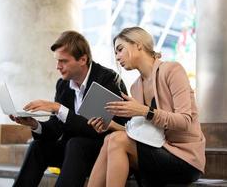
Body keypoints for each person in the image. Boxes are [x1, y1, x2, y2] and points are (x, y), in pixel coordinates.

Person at [87, 27, 206, 187]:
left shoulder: (172, 70)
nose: (117, 57)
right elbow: (144, 133)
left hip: (185, 158)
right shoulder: (136, 86)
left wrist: (143, 111)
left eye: (120, 50)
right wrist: (111, 125)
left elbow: (184, 121)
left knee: (116, 140)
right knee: (110, 138)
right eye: (115, 53)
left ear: (138, 44)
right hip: (157, 148)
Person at [10, 30, 128, 187]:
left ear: (83, 59)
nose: (58, 67)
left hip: (102, 151)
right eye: (57, 61)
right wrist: (34, 125)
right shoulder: (63, 85)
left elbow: (94, 128)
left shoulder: (106, 79)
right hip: (73, 153)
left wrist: (58, 108)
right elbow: (56, 129)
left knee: (76, 143)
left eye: (63, 61)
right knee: (37, 146)